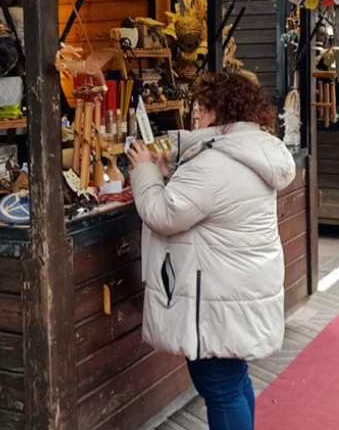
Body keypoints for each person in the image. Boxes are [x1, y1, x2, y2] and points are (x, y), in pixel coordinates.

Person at [127, 72, 296, 430]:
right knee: (234, 381)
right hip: (238, 289)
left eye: (201, 109)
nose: (195, 117)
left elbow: (163, 213)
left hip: (217, 298)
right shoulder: (253, 150)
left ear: (218, 113)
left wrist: (144, 172)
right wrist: (165, 172)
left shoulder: (212, 164)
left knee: (220, 386)